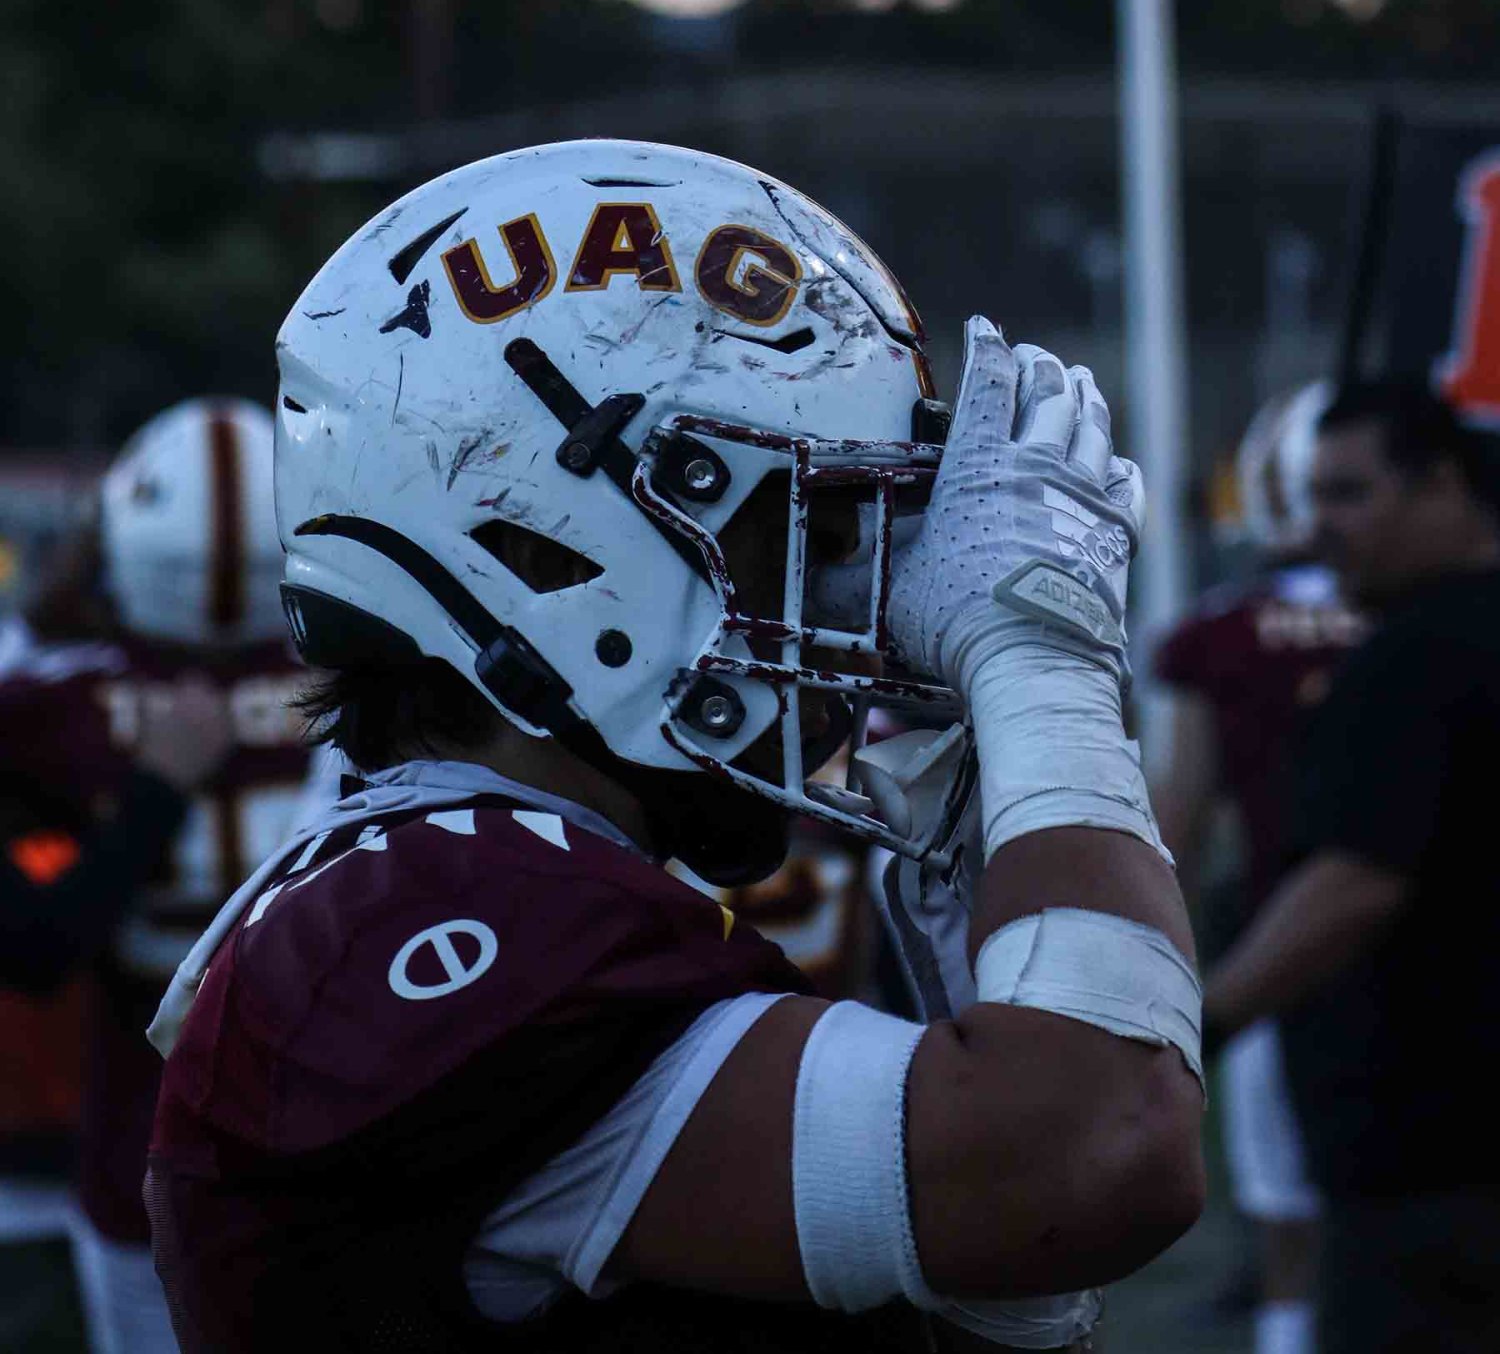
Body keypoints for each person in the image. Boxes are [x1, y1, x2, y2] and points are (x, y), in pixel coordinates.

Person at [145, 138, 1204, 1352]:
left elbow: (1036, 1216)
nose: (853, 603)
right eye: (798, 532)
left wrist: (1006, 1263)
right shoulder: (450, 906)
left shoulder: (486, 885)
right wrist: (1043, 656)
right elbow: (1103, 1151)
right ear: (541, 548)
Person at [0, 398, 317, 1354]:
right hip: (335, 1138)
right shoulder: (374, 694)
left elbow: (34, 945)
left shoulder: (49, 711)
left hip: (144, 1146)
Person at [1203, 378, 1500, 1354]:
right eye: (1313, 497)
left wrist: (1202, 1022)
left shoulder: (1414, 660)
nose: (1320, 526)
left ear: (1442, 485)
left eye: (1349, 493)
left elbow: (1357, 882)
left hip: (1433, 1173)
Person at [1149, 383, 1365, 1354]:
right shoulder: (1449, 617)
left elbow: (1181, 816)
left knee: (1288, 1231)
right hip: (1438, 963)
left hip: (1283, 954)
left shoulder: (1224, 634)